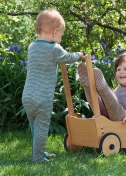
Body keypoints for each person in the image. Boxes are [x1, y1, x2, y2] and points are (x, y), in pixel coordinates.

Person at [22, 9, 85, 163]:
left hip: (27, 97)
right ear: (55, 32)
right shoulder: (54, 49)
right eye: (61, 35)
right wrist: (80, 55)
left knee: (35, 128)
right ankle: (38, 157)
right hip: (42, 98)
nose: (60, 39)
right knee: (42, 127)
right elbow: (68, 57)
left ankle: (40, 151)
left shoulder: (32, 47)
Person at [78, 52, 126, 123]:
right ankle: (87, 86)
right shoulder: (117, 89)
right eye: (118, 69)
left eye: (125, 69)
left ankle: (103, 87)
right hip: (109, 118)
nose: (121, 72)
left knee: (113, 103)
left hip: (124, 119)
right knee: (101, 103)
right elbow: (108, 105)